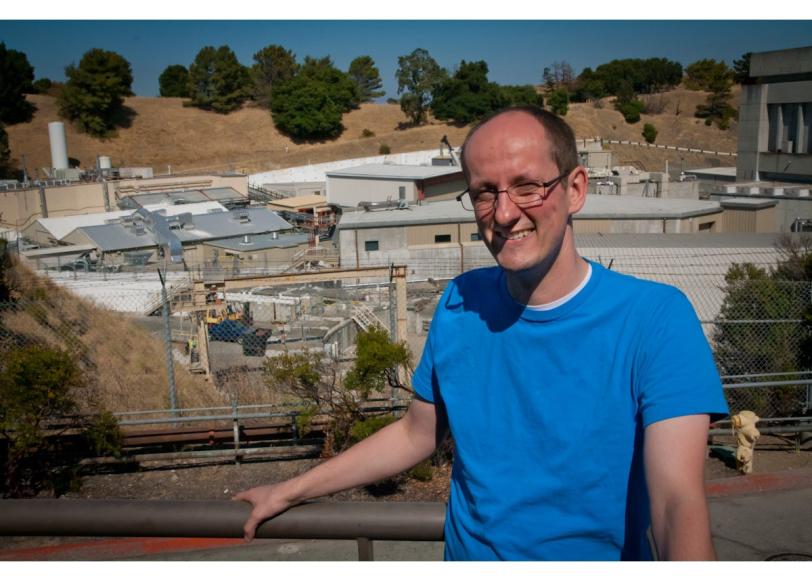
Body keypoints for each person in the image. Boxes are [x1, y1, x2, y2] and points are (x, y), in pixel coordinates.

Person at [234, 106, 729, 561]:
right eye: (485, 192)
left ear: (575, 189)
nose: (505, 212)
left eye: (528, 186)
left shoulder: (655, 319)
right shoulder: (459, 303)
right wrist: (291, 490)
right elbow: (415, 434)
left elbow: (675, 502)